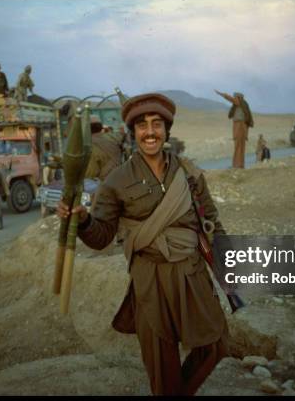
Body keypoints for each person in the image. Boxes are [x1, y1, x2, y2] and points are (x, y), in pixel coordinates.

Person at [57, 93, 229, 395]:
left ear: (167, 130)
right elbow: (101, 238)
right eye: (142, 126)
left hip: (192, 272)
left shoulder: (188, 172)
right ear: (132, 132)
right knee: (162, 368)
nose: (150, 132)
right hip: (150, 279)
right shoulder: (117, 181)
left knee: (215, 344)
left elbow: (212, 223)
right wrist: (82, 219)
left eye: (157, 124)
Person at [214, 90, 254, 168]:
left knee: (238, 146)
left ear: (238, 97)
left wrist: (221, 94)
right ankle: (240, 165)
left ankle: (237, 165)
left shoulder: (239, 102)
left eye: (235, 97)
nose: (234, 98)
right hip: (242, 126)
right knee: (241, 146)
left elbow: (230, 98)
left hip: (239, 126)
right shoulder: (243, 104)